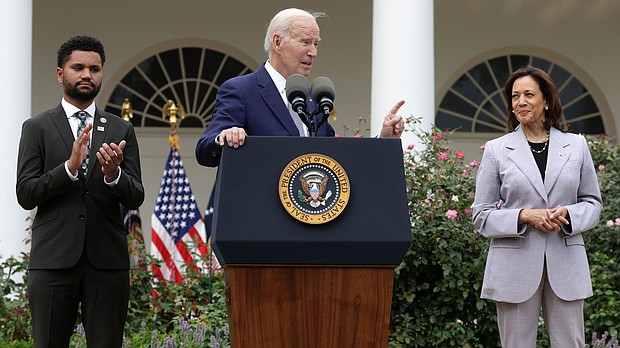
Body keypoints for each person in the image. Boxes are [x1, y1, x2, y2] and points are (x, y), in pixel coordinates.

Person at [16, 36, 144, 348]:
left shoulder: (120, 129)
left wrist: (114, 175)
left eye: (94, 68)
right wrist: (69, 168)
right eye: (78, 67)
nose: (87, 74)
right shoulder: (37, 127)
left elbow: (136, 195)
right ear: (61, 74)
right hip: (53, 261)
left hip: (107, 262)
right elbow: (26, 193)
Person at [471, 65, 602, 347]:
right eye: (515, 96)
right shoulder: (496, 149)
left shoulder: (577, 145)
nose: (521, 102)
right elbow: (480, 215)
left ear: (546, 100)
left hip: (566, 263)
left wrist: (569, 214)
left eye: (529, 94)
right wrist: (523, 216)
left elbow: (593, 203)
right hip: (513, 267)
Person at [195, 7, 406, 167]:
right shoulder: (241, 90)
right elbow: (205, 151)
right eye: (305, 42)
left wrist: (383, 140)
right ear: (277, 43)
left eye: (316, 44)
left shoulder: (311, 99)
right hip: (260, 217)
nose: (313, 52)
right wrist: (225, 137)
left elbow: (339, 158)